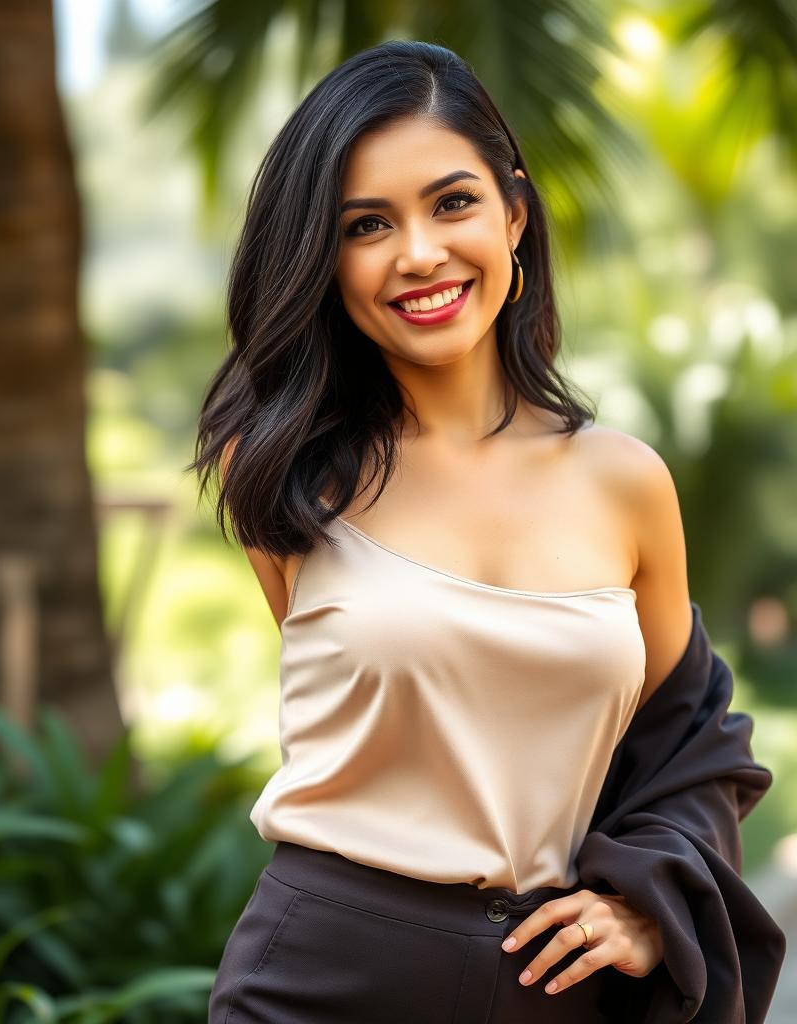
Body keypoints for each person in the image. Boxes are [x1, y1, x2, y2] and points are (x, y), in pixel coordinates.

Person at [191, 39, 784, 1023]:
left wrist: (649, 912)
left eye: (451, 202)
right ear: (324, 260)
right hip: (316, 980)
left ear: (513, 211)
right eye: (366, 224)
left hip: (553, 989)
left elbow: (690, 743)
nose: (418, 253)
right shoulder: (288, 478)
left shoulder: (624, 482)